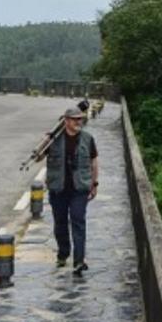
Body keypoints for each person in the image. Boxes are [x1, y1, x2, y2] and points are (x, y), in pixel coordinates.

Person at [45, 107, 99, 277]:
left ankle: (79, 260)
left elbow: (94, 161)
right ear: (66, 121)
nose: (78, 122)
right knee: (60, 222)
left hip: (79, 188)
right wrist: (45, 141)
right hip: (58, 188)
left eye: (80, 119)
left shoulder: (87, 138)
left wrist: (94, 184)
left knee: (78, 221)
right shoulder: (54, 139)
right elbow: (38, 157)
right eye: (75, 119)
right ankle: (63, 253)